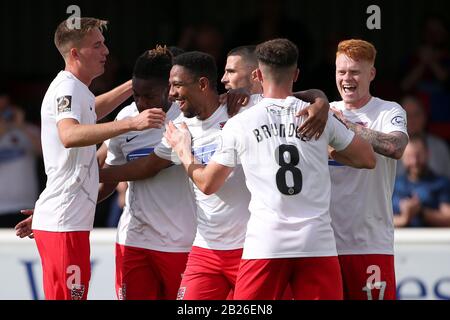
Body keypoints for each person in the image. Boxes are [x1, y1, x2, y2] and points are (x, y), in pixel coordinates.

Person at [100, 50, 330, 300]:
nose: (171, 94)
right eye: (170, 86)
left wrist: (320, 100)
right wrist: (93, 175)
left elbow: (285, 98)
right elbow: (148, 166)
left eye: (176, 86)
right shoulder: (180, 129)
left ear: (201, 84)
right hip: (205, 248)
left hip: (249, 246)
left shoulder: (242, 111)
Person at [164, 38, 376, 300]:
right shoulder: (316, 115)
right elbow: (368, 158)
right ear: (296, 74)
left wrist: (183, 150)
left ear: (257, 74)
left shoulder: (241, 122)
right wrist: (326, 147)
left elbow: (207, 184)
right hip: (316, 241)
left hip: (266, 241)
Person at [29, 17, 166, 300]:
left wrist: (134, 84)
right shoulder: (67, 88)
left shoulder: (76, 88)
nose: (106, 51)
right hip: (64, 221)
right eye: (97, 45)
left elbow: (92, 108)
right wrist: (132, 123)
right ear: (75, 53)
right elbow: (69, 134)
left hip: (65, 219)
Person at [97, 46, 197, 300]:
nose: (141, 102)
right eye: (136, 95)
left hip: (181, 241)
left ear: (169, 88)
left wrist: (90, 173)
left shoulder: (188, 119)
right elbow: (109, 178)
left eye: (149, 96)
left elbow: (148, 167)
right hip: (134, 240)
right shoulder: (127, 116)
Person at [329, 39, 409, 300]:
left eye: (354, 72)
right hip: (323, 245)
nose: (347, 79)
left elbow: (395, 146)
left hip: (370, 243)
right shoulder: (324, 111)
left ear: (371, 74)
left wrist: (346, 127)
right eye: (341, 72)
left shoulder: (388, 110)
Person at [0, 94, 41, 227]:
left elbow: (45, 152)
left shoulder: (29, 130)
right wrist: (4, 128)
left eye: (6, 108)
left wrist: (20, 126)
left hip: (25, 204)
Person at [393, 135, 450, 227]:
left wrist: (421, 212)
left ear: (428, 154)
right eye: (409, 156)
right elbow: (380, 220)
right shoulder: (393, 185)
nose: (415, 162)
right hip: (398, 240)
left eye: (418, 155)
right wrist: (404, 219)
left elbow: (448, 219)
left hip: (431, 240)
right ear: (402, 158)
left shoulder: (441, 183)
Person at [396, 96, 450, 178]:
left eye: (416, 114)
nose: (411, 119)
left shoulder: (439, 146)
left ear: (425, 117)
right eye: (406, 115)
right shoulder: (391, 147)